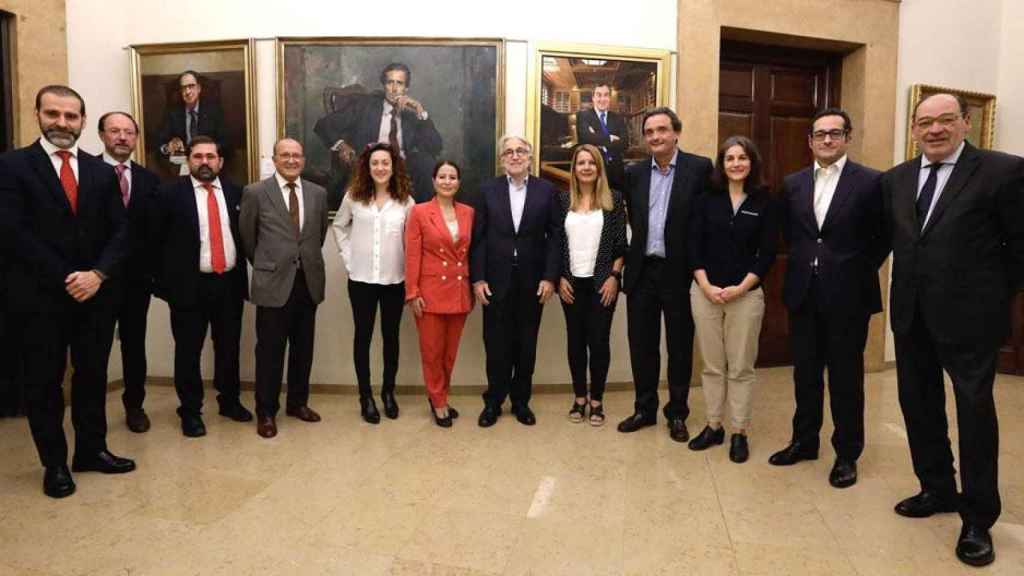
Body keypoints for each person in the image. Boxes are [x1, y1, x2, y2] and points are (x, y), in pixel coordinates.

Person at [882, 93, 1024, 568]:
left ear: (966, 122)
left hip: (971, 319)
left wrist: (989, 297)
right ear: (914, 130)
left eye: (946, 120)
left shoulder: (1002, 172)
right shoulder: (898, 180)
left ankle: (978, 517)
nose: (935, 129)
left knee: (974, 414)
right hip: (911, 315)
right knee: (918, 405)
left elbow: (1019, 249)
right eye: (925, 122)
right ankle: (937, 488)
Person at [0, 85, 135, 498]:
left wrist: (97, 274)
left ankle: (91, 450)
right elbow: (12, 232)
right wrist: (69, 276)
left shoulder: (99, 171)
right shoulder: (12, 166)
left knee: (92, 376)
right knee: (45, 382)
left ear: (81, 121)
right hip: (40, 299)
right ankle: (55, 463)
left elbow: (121, 231)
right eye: (53, 114)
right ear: (38, 114)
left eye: (71, 116)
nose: (62, 123)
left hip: (95, 297)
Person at [768, 108, 885, 488]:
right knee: (805, 374)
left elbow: (883, 238)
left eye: (835, 133)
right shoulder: (794, 183)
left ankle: (847, 454)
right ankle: (804, 441)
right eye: (820, 134)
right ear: (810, 140)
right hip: (804, 292)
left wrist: (849, 267)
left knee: (846, 378)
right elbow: (791, 233)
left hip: (849, 296)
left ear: (847, 137)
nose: (827, 140)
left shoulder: (870, 182)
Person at [618, 107, 712, 442]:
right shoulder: (635, 173)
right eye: (649, 132)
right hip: (642, 271)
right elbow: (633, 221)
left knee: (679, 345)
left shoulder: (699, 169)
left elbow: (706, 222)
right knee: (641, 344)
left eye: (662, 130)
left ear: (676, 132)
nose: (655, 137)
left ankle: (677, 413)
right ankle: (644, 408)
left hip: (679, 272)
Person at [149, 136, 252, 438]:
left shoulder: (237, 192)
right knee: (188, 352)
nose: (204, 162)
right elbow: (153, 242)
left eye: (210, 156)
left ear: (220, 161)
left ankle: (229, 401)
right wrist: (163, 286)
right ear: (188, 160)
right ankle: (190, 411)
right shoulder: (168, 194)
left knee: (229, 348)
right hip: (188, 288)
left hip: (229, 284)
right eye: (198, 157)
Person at [687, 136, 777, 463]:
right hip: (705, 292)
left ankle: (739, 431)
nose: (736, 163)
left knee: (740, 367)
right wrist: (706, 285)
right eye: (729, 158)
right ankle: (714, 426)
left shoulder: (764, 200)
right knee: (712, 366)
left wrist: (741, 288)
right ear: (721, 164)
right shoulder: (706, 199)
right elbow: (692, 246)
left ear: (752, 163)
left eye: (742, 158)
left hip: (746, 296)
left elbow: (767, 253)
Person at [240, 138, 328, 439]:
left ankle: (297, 403)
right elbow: (248, 239)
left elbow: (318, 237)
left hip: (308, 282)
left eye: (297, 155)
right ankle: (266, 412)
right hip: (272, 284)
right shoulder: (255, 192)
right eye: (285, 155)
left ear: (303, 160)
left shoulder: (318, 194)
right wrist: (268, 264)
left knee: (303, 349)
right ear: (275, 159)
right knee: (270, 351)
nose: (291, 160)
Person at [471, 135, 561, 427]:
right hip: (495, 281)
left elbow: (555, 238)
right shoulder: (487, 190)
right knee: (495, 345)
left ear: (530, 157)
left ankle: (521, 402)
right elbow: (479, 238)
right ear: (501, 159)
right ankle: (494, 401)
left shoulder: (547, 190)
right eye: (508, 152)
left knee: (526, 345)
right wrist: (478, 278)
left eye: (520, 151)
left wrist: (550, 277)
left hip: (533, 282)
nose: (514, 156)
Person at [332, 142, 415, 424]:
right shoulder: (354, 197)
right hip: (361, 280)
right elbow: (339, 226)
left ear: (393, 168)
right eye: (375, 163)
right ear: (367, 167)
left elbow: (414, 240)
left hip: (395, 280)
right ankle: (365, 396)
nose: (380, 168)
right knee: (363, 337)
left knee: (391, 338)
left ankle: (388, 393)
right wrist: (348, 259)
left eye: (385, 163)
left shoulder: (406, 201)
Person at [96, 111, 161, 434]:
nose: (122, 137)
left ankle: (134, 405)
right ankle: (91, 413)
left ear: (136, 139)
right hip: (96, 281)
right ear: (101, 135)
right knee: (94, 349)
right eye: (115, 131)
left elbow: (155, 231)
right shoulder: (86, 172)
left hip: (137, 281)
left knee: (134, 346)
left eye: (128, 133)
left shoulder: (149, 180)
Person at [556, 144, 626, 427]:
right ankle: (579, 398)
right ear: (574, 169)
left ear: (599, 168)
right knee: (575, 342)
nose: (586, 167)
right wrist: (560, 276)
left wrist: (614, 276)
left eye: (591, 163)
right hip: (571, 283)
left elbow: (621, 244)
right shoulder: (562, 201)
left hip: (602, 284)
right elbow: (557, 244)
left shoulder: (614, 200)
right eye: (580, 163)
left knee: (598, 343)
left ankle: (596, 400)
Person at [405, 160, 475, 427]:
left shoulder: (469, 212)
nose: (447, 181)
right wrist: (412, 292)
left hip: (459, 291)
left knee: (449, 354)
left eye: (453, 177)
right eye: (442, 177)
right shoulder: (420, 212)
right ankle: (439, 401)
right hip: (430, 293)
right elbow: (412, 255)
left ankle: (439, 396)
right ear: (434, 181)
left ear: (459, 182)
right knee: (432, 353)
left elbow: (473, 252)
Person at [314, 62, 443, 203]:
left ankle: (421, 218)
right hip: (370, 164)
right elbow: (324, 125)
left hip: (403, 167)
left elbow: (435, 146)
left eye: (399, 83)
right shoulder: (365, 106)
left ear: (406, 88)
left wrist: (420, 111)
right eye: (390, 82)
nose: (394, 89)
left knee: (426, 163)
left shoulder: (412, 114)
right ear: (384, 85)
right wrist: (342, 145)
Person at [158, 71, 227, 167]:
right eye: (183, 88)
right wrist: (168, 148)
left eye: (191, 86)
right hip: (181, 166)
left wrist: (209, 150)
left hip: (207, 163)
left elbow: (226, 143)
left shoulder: (214, 112)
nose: (187, 92)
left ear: (199, 88)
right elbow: (159, 144)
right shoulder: (172, 113)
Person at [575, 84, 629, 192]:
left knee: (615, 205)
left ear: (609, 98)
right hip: (593, 170)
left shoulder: (618, 118)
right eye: (598, 95)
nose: (602, 99)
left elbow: (624, 143)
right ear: (593, 98)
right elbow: (585, 138)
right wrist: (609, 138)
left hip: (616, 172)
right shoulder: (583, 116)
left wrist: (596, 138)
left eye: (605, 95)